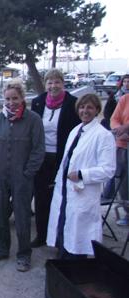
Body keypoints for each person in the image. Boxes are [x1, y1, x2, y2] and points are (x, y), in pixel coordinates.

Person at [0, 80, 45, 272]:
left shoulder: (33, 119)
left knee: (21, 216)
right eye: (8, 98)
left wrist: (28, 172)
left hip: (22, 177)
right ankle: (1, 249)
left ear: (22, 98)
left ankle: (24, 255)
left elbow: (38, 150)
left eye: (15, 98)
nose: (11, 102)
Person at [47, 94, 116, 259]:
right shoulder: (76, 130)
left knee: (79, 235)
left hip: (83, 191)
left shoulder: (103, 135)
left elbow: (108, 169)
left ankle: (76, 266)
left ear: (97, 110)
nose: (85, 111)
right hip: (66, 189)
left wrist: (81, 174)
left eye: (90, 107)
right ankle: (64, 261)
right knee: (64, 226)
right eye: (82, 107)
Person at [30, 69, 80, 247]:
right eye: (49, 82)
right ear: (45, 84)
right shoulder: (37, 103)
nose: (53, 86)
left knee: (60, 197)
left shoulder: (73, 104)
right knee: (41, 197)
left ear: (63, 83)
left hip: (62, 157)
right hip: (41, 157)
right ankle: (41, 235)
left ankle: (60, 235)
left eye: (57, 82)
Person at [110, 82, 129, 226]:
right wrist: (118, 130)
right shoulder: (125, 99)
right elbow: (114, 119)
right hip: (123, 146)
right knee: (123, 182)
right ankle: (127, 213)